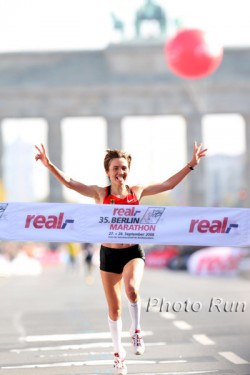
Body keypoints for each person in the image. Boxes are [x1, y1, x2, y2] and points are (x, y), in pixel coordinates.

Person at [35, 142, 207, 375]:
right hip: (109, 255)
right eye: (115, 168)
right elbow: (71, 183)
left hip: (132, 251)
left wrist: (191, 165)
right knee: (114, 310)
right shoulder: (100, 193)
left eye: (124, 168)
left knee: (132, 289)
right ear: (108, 171)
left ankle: (136, 330)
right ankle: (119, 355)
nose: (120, 172)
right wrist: (49, 164)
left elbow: (168, 184)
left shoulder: (137, 191)